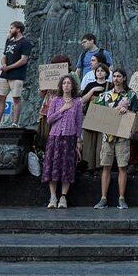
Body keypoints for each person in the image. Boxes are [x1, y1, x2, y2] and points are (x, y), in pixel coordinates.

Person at [89, 67, 135, 209]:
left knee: (122, 166)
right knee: (106, 167)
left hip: (122, 135)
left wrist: (127, 111)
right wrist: (114, 111)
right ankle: (103, 198)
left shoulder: (131, 95)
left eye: (119, 76)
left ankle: (122, 198)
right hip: (107, 135)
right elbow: (95, 112)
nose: (116, 78)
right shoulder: (105, 95)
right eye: (114, 76)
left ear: (124, 78)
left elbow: (134, 114)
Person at [43, 75, 84, 209]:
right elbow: (49, 119)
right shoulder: (55, 100)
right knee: (52, 165)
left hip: (69, 137)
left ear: (72, 86)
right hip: (54, 137)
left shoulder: (77, 102)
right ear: (61, 86)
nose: (66, 85)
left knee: (67, 166)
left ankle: (63, 197)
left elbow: (79, 122)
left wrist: (78, 140)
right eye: (64, 83)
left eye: (69, 83)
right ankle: (53, 196)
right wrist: (62, 109)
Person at [0, 21, 31, 129]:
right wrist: (4, 64)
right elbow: (4, 55)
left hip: (17, 75)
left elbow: (23, 60)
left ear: (18, 29)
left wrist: (9, 67)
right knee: (1, 97)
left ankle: (15, 123)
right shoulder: (9, 41)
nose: (10, 30)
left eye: (12, 28)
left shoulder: (25, 42)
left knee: (16, 98)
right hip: (5, 74)